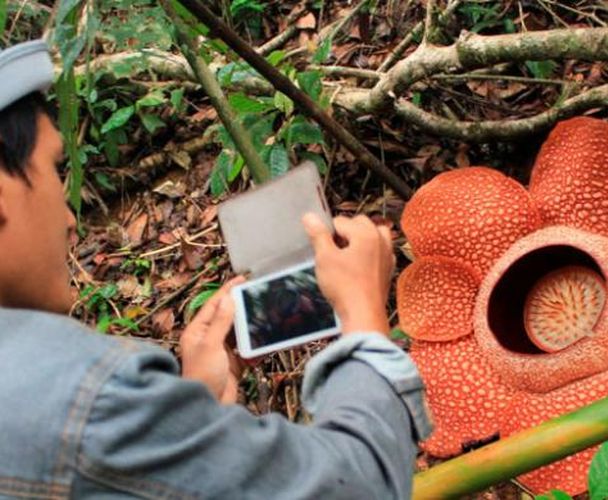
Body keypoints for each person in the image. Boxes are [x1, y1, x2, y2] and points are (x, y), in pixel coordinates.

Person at [0, 40, 431, 499]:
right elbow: (359, 486)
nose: (69, 219)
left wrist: (188, 414)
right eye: (54, 169)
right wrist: (364, 320)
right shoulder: (85, 404)